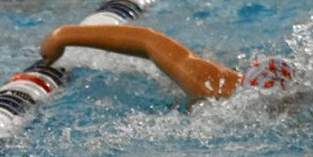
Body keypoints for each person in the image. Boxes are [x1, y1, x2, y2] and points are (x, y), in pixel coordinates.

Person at [39, 24, 295, 102]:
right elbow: (147, 41)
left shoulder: (212, 84)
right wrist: (65, 36)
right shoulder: (211, 85)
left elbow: (148, 40)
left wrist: (63, 36)